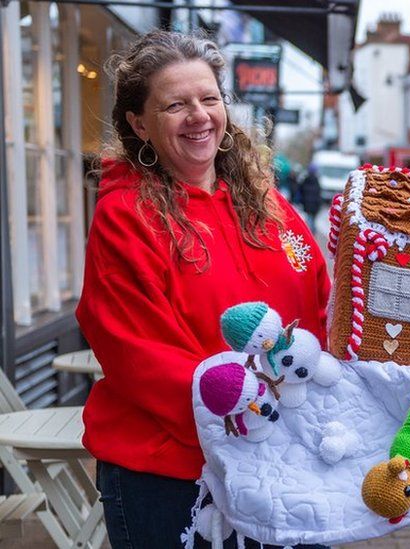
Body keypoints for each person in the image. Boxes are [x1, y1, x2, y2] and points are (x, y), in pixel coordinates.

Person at [76, 31, 331, 548]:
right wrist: (252, 411)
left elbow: (320, 305)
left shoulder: (266, 203)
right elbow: (137, 352)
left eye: (209, 98)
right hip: (174, 475)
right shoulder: (126, 215)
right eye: (175, 104)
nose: (199, 116)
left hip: (285, 459)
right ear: (139, 124)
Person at [299, 164, 323, 232]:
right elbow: (319, 194)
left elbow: (301, 191)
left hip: (306, 205)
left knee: (308, 221)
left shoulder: (305, 180)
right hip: (314, 206)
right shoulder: (317, 181)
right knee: (312, 221)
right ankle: (312, 234)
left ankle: (308, 233)